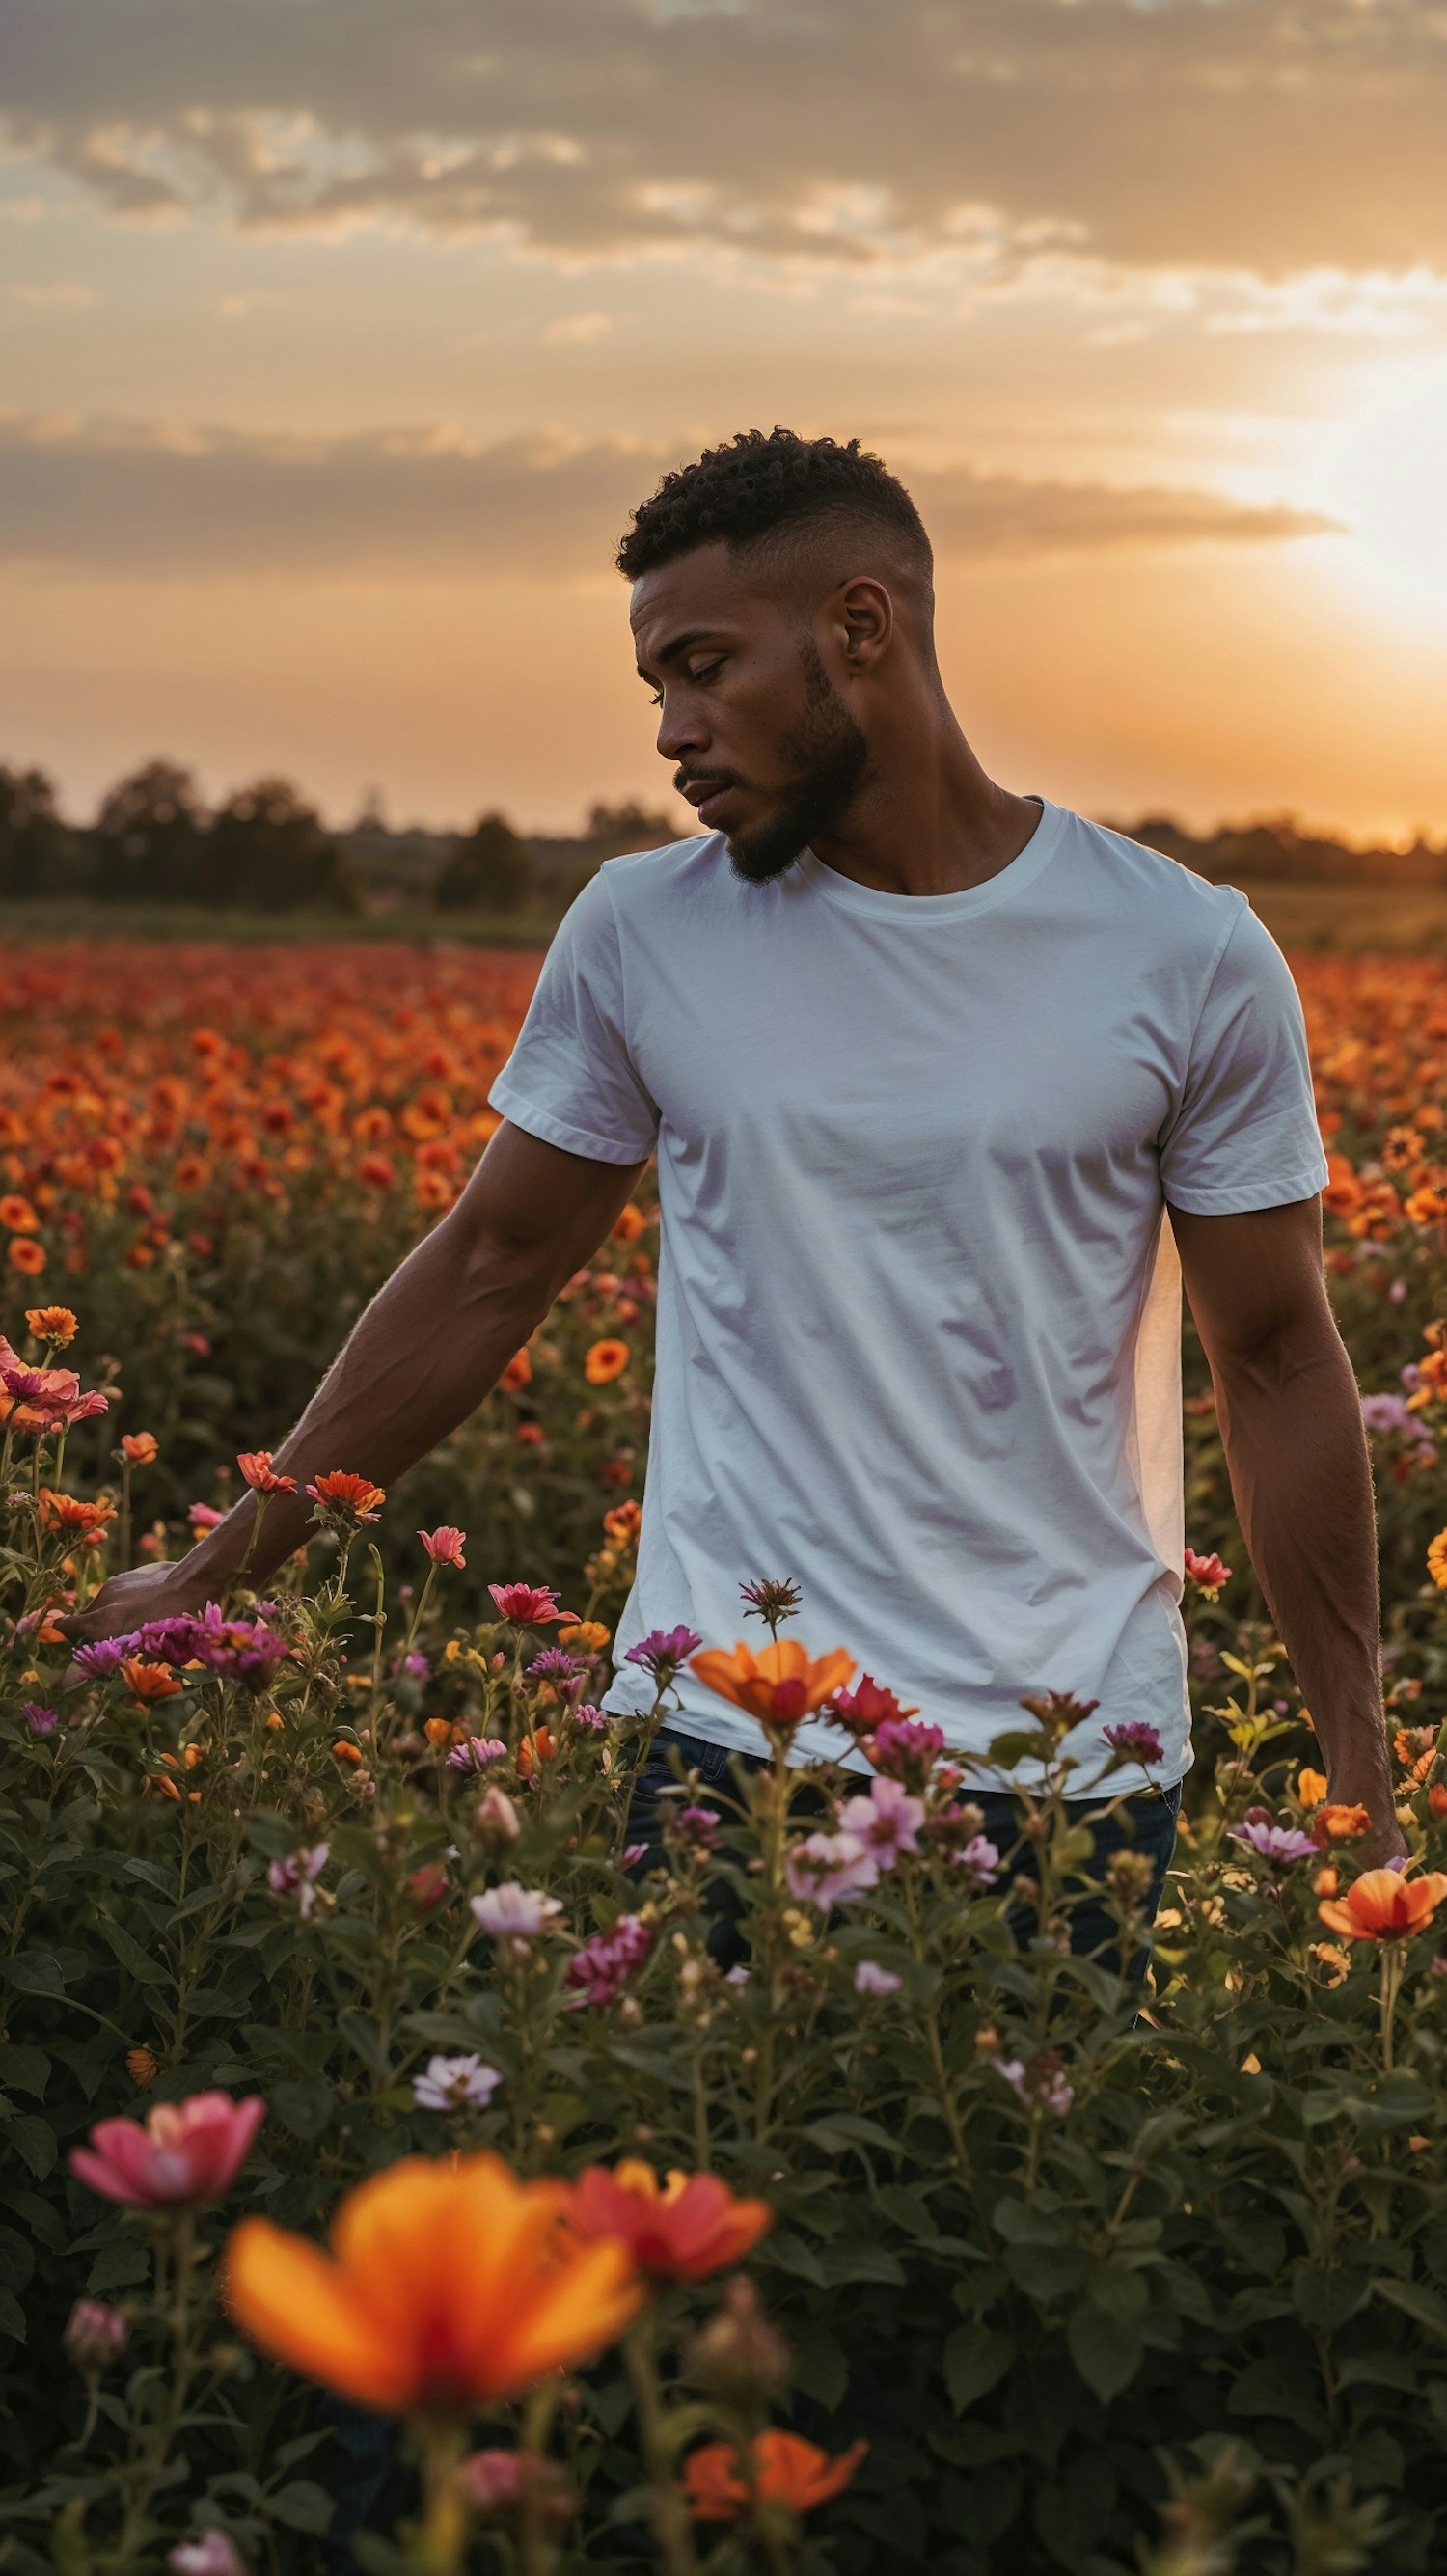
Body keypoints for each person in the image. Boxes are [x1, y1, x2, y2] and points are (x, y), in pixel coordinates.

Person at [61, 427, 1404, 1953]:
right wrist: (214, 1565)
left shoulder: (1183, 951)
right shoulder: (645, 930)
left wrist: (1356, 1760)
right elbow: (491, 1263)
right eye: (657, 687)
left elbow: (1281, 1355)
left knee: (1018, 2178)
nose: (673, 729)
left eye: (704, 666)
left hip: (1072, 1762)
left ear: (859, 627)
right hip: (716, 1747)